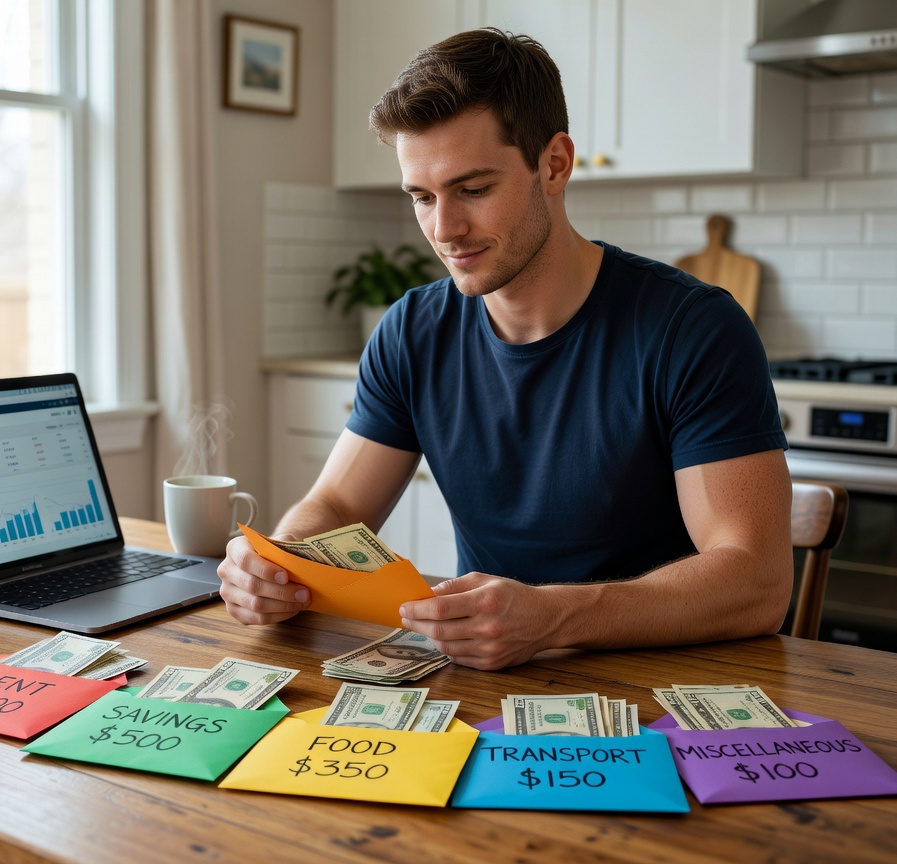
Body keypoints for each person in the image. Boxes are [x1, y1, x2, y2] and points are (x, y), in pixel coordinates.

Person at [219, 28, 792, 670]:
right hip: (484, 680)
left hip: (667, 687)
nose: (444, 229)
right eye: (422, 197)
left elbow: (756, 582)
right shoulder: (412, 332)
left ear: (554, 164)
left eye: (473, 189)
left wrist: (550, 616)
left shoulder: (693, 330)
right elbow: (339, 506)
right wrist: (280, 560)